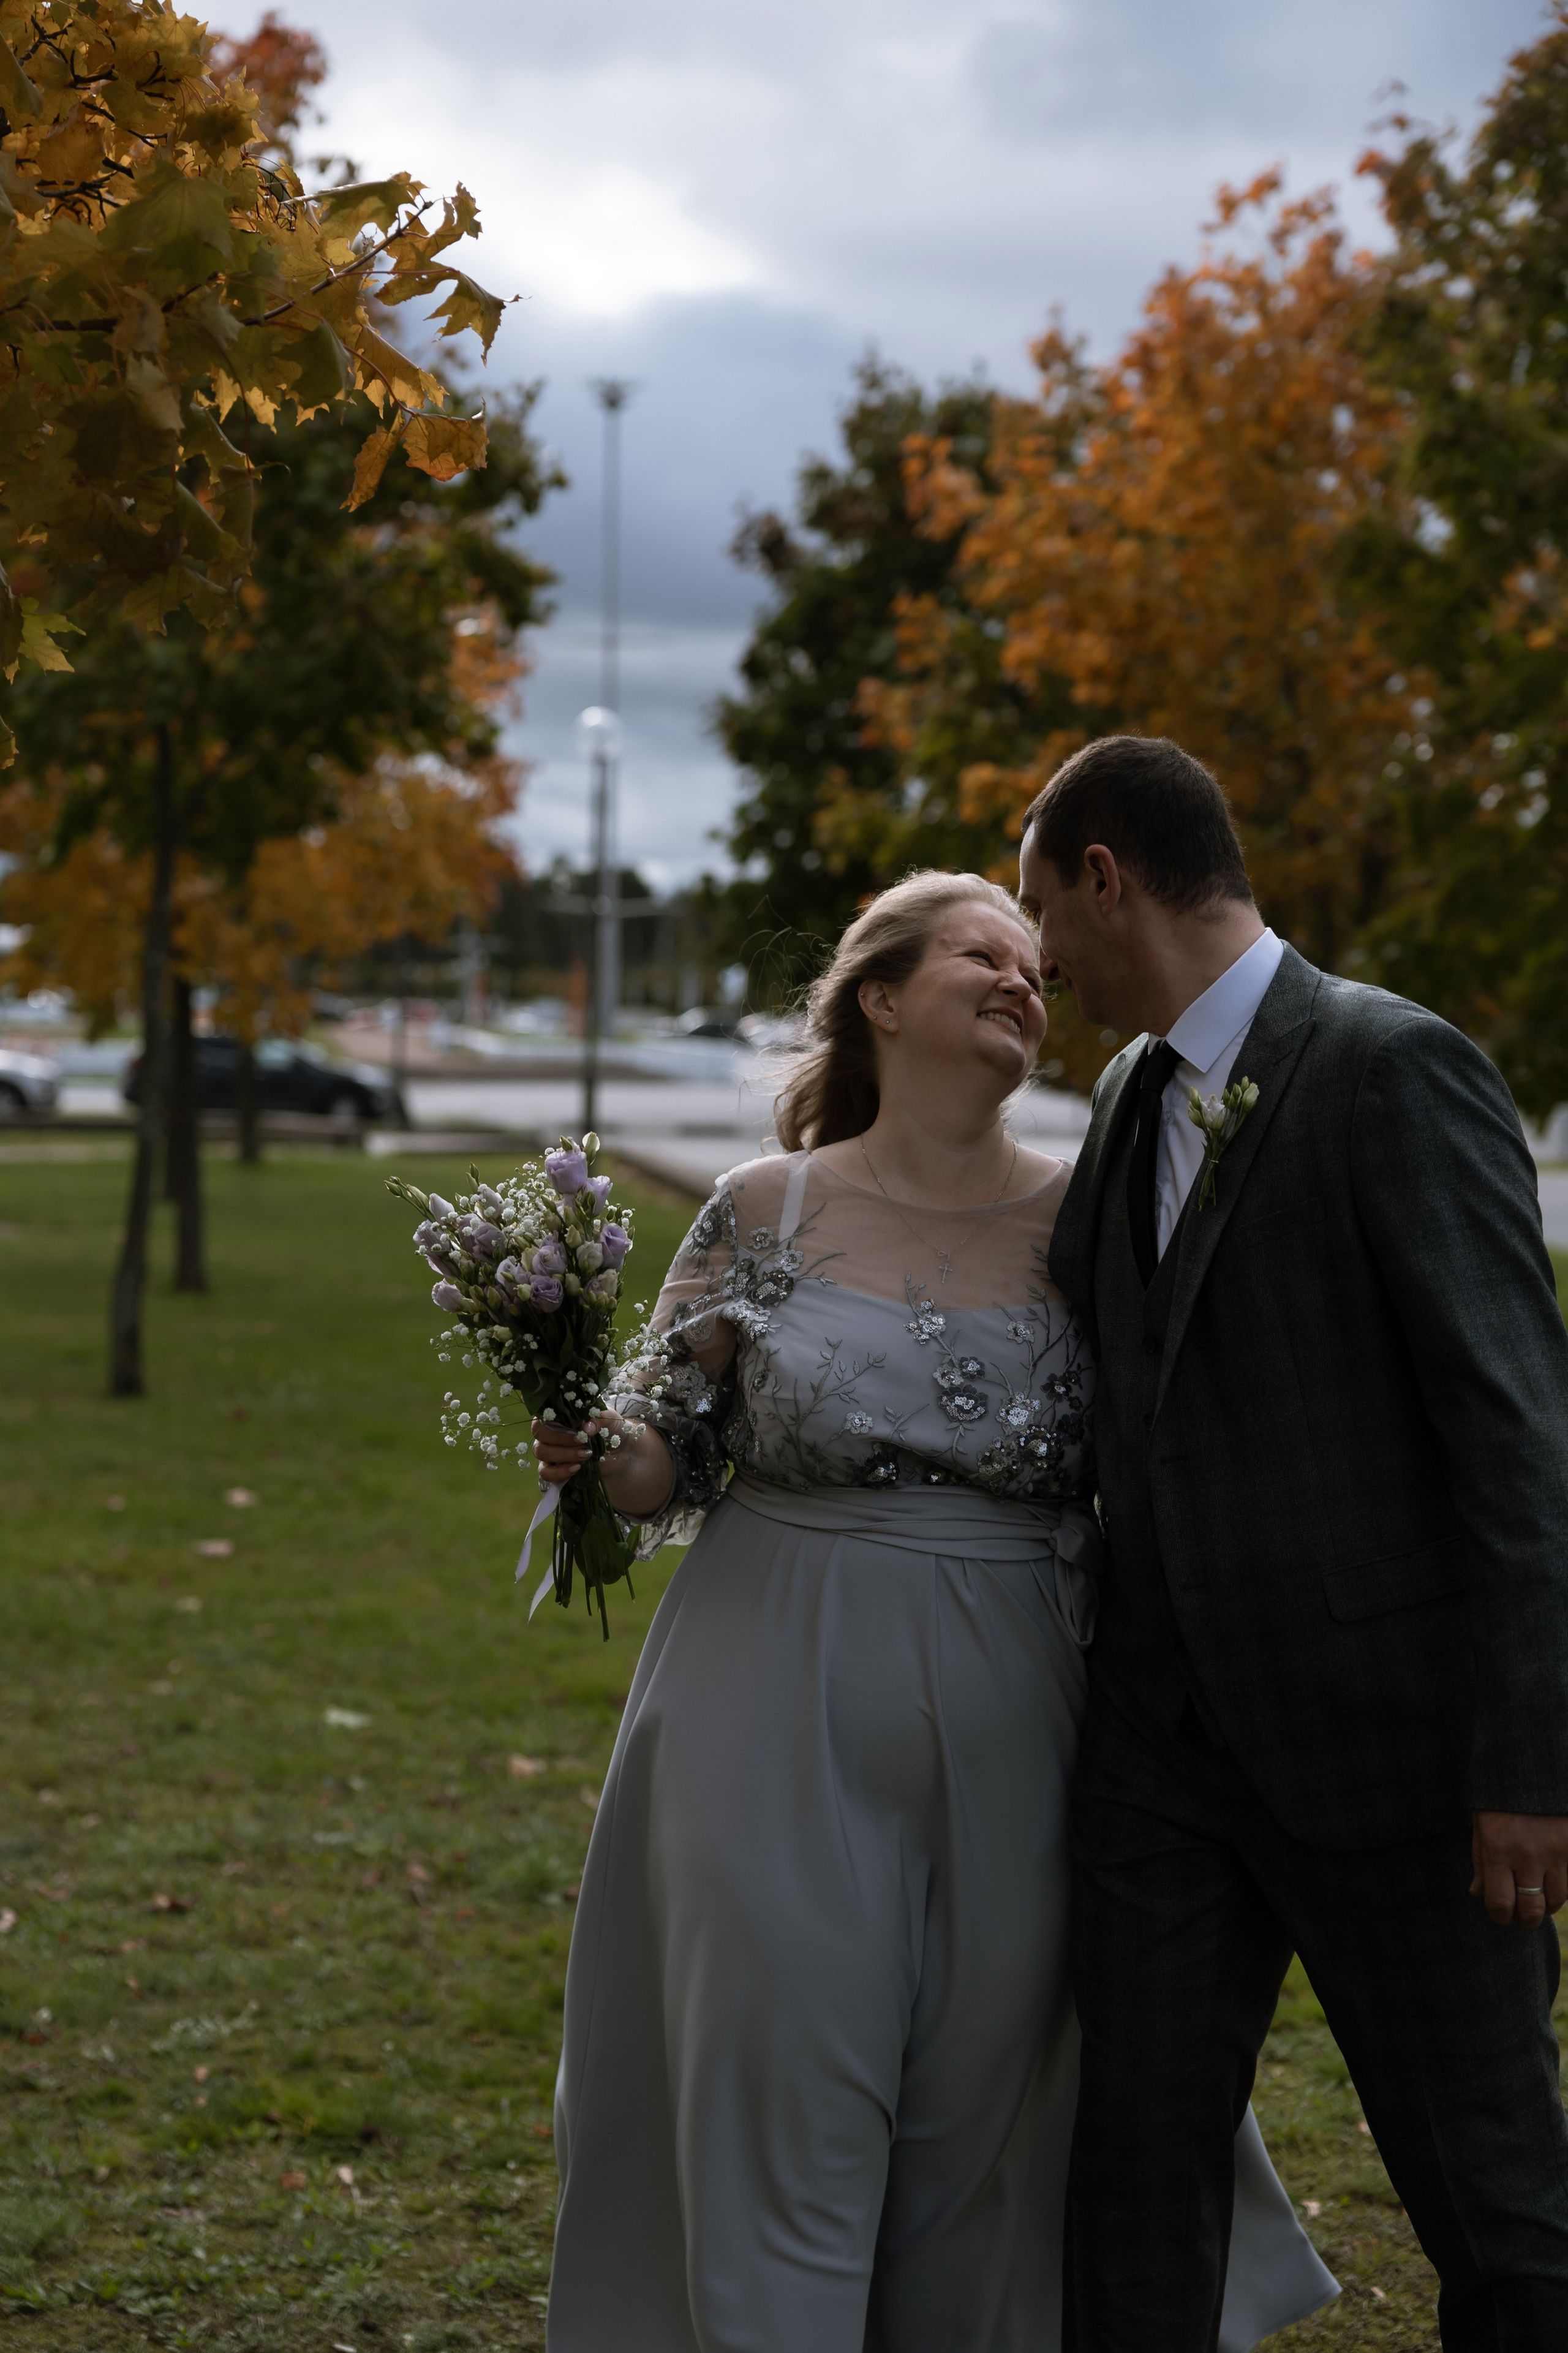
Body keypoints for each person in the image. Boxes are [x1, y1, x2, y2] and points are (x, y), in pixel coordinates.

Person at [533, 869, 1335, 2352]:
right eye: (983, 950)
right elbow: (660, 1462)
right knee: (785, 2086)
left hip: (1026, 1699)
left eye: (1035, 963)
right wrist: (593, 1439)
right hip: (768, 1687)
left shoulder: (1095, 1209)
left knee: (992, 2110)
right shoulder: (762, 1205)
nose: (1022, 978)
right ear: (880, 996)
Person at [1020, 733, 1568, 2351]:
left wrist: (1531, 1763)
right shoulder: (1127, 1091)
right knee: (1132, 2181)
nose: (1040, 955)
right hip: (1163, 1769)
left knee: (1498, 2204)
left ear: (1108, 879)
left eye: (1042, 907)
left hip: (1397, 1768)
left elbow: (1519, 1432)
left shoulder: (1396, 1068)